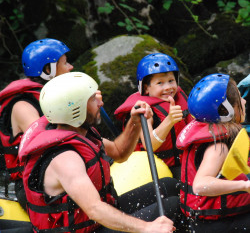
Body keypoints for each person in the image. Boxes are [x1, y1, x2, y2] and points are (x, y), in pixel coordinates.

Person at [18, 72, 176, 233]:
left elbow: (119, 152)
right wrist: (148, 228)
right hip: (87, 226)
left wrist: (134, 123)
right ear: (76, 109)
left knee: (171, 186)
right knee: (173, 206)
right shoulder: (65, 159)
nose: (101, 102)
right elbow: (94, 209)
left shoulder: (80, 132)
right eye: (93, 99)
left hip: (95, 218)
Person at [0, 38, 73, 210]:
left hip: (61, 172)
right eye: (65, 63)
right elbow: (46, 142)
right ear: (48, 70)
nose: (71, 67)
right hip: (32, 184)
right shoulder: (22, 105)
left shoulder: (53, 97)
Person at [176, 73, 250, 233]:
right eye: (239, 99)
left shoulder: (210, 129)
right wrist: (245, 185)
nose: (244, 101)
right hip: (216, 224)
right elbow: (200, 185)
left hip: (208, 218)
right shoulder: (219, 146)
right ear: (226, 110)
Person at [114, 53, 193, 181]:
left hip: (185, 160)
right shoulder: (142, 108)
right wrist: (169, 120)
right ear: (146, 88)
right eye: (160, 83)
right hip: (155, 170)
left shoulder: (179, 96)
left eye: (171, 81)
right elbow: (150, 146)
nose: (168, 87)